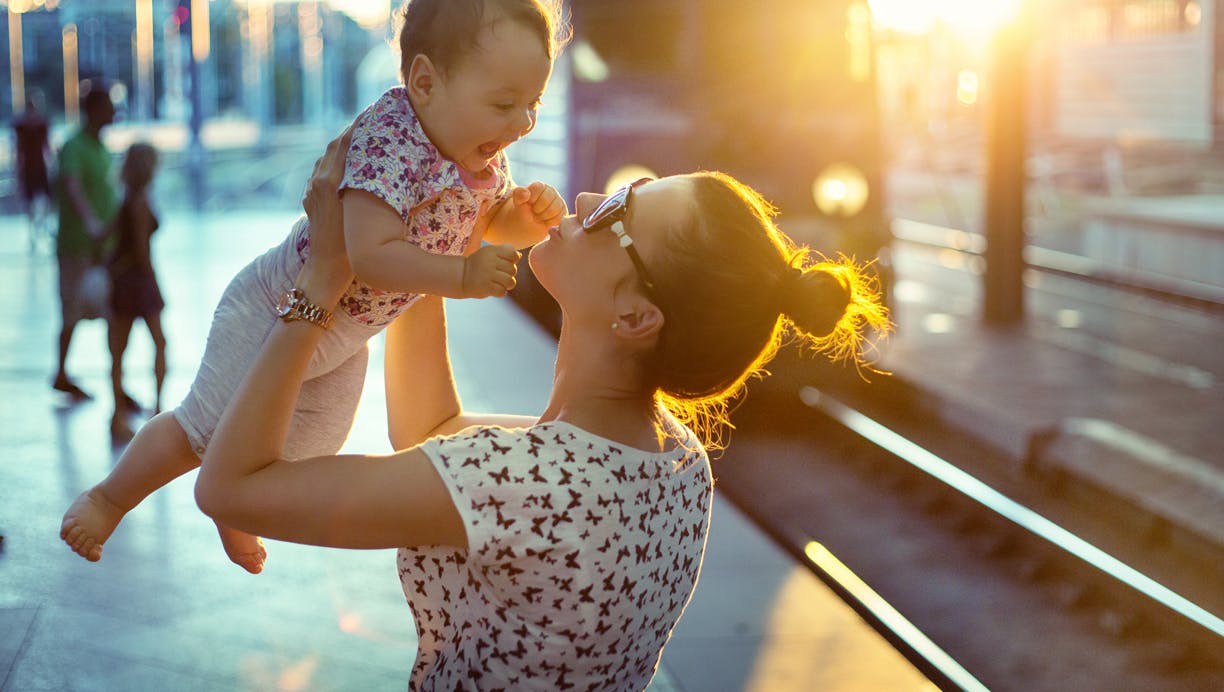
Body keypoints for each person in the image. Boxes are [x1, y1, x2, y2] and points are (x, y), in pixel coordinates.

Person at [182, 126, 890, 688]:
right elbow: (432, 432)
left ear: (637, 317)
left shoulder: (519, 481)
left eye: (620, 212)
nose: (587, 202)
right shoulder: (674, 461)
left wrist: (324, 280)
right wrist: (438, 238)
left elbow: (230, 489)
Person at [60, 0, 569, 574]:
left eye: (534, 104)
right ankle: (109, 497)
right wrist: (459, 276)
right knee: (197, 429)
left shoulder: (479, 152)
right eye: (505, 103)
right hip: (279, 304)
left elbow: (486, 218)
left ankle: (241, 500)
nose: (523, 123)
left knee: (310, 446)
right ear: (425, 81)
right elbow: (370, 256)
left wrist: (524, 221)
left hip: (345, 333)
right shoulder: (392, 141)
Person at [52, 86, 118, 401]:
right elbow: (72, 186)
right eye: (108, 106)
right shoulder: (73, 147)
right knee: (71, 311)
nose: (113, 113)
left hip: (104, 250)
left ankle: (115, 382)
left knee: (112, 314)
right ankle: (61, 372)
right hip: (77, 247)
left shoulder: (101, 148)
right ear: (93, 110)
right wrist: (91, 223)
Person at [106, 143, 167, 442]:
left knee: (118, 351)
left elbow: (107, 236)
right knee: (159, 342)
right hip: (140, 282)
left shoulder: (125, 199)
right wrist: (154, 282)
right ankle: (157, 410)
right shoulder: (140, 202)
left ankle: (117, 414)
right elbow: (143, 252)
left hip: (121, 281)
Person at [12, 93, 53, 252]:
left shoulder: (41, 125)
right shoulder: (22, 127)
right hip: (29, 168)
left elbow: (46, 147)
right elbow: (18, 150)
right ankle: (34, 232)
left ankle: (41, 226)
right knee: (30, 202)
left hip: (38, 167)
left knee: (46, 201)